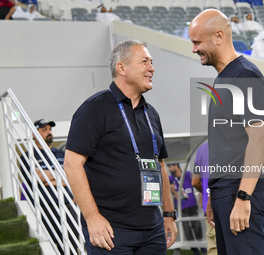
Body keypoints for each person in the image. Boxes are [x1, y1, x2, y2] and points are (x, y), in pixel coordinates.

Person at [64, 39, 177, 255]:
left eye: (152, 62)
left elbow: (160, 165)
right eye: (144, 62)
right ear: (121, 68)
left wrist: (169, 214)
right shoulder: (93, 109)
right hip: (111, 230)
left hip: (152, 229)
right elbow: (72, 165)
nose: (152, 68)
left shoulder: (151, 113)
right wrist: (92, 217)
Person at [188, 9, 264, 255]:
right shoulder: (225, 78)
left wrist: (243, 197)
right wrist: (214, 196)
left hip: (244, 191)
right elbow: (228, 145)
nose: (194, 49)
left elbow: (260, 138)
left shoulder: (244, 75)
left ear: (218, 36)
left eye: (197, 42)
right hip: (226, 192)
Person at [20, 119, 77, 255]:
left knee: (73, 245)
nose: (49, 132)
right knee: (49, 246)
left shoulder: (62, 154)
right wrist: (60, 176)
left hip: (68, 205)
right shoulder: (28, 156)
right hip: (45, 208)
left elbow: (71, 177)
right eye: (44, 130)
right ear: (34, 134)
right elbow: (35, 177)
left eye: (49, 129)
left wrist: (47, 179)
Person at [168, 163, 207, 255]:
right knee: (186, 230)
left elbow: (197, 184)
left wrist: (201, 198)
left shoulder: (188, 174)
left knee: (197, 226)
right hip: (180, 208)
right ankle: (195, 250)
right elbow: (171, 189)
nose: (169, 169)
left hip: (192, 205)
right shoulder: (171, 179)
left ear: (176, 166)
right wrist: (174, 192)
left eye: (170, 166)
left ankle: (203, 248)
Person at [192, 142, 217, 255]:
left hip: (209, 212)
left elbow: (195, 181)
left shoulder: (201, 149)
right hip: (229, 205)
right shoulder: (230, 143)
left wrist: (206, 194)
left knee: (214, 248)